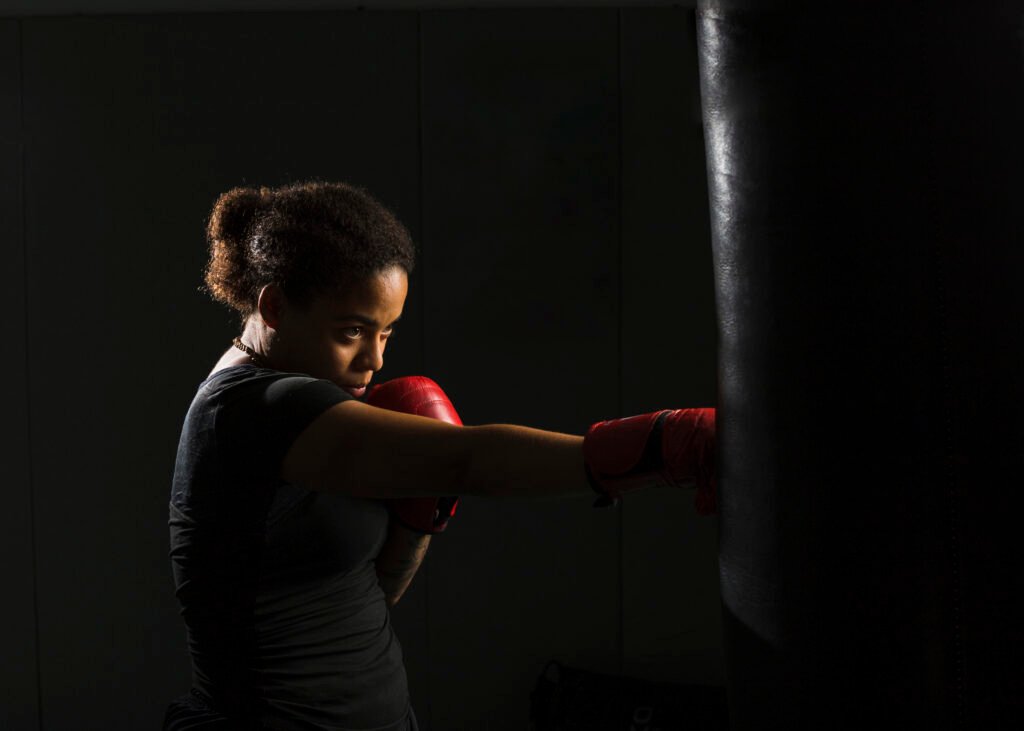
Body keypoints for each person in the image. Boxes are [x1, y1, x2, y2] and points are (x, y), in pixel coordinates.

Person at [163, 180, 716, 731]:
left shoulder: (293, 400)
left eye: (387, 334)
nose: (373, 361)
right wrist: (665, 446)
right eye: (352, 330)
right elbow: (469, 462)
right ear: (276, 305)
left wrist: (418, 519)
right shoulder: (256, 406)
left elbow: (369, 598)